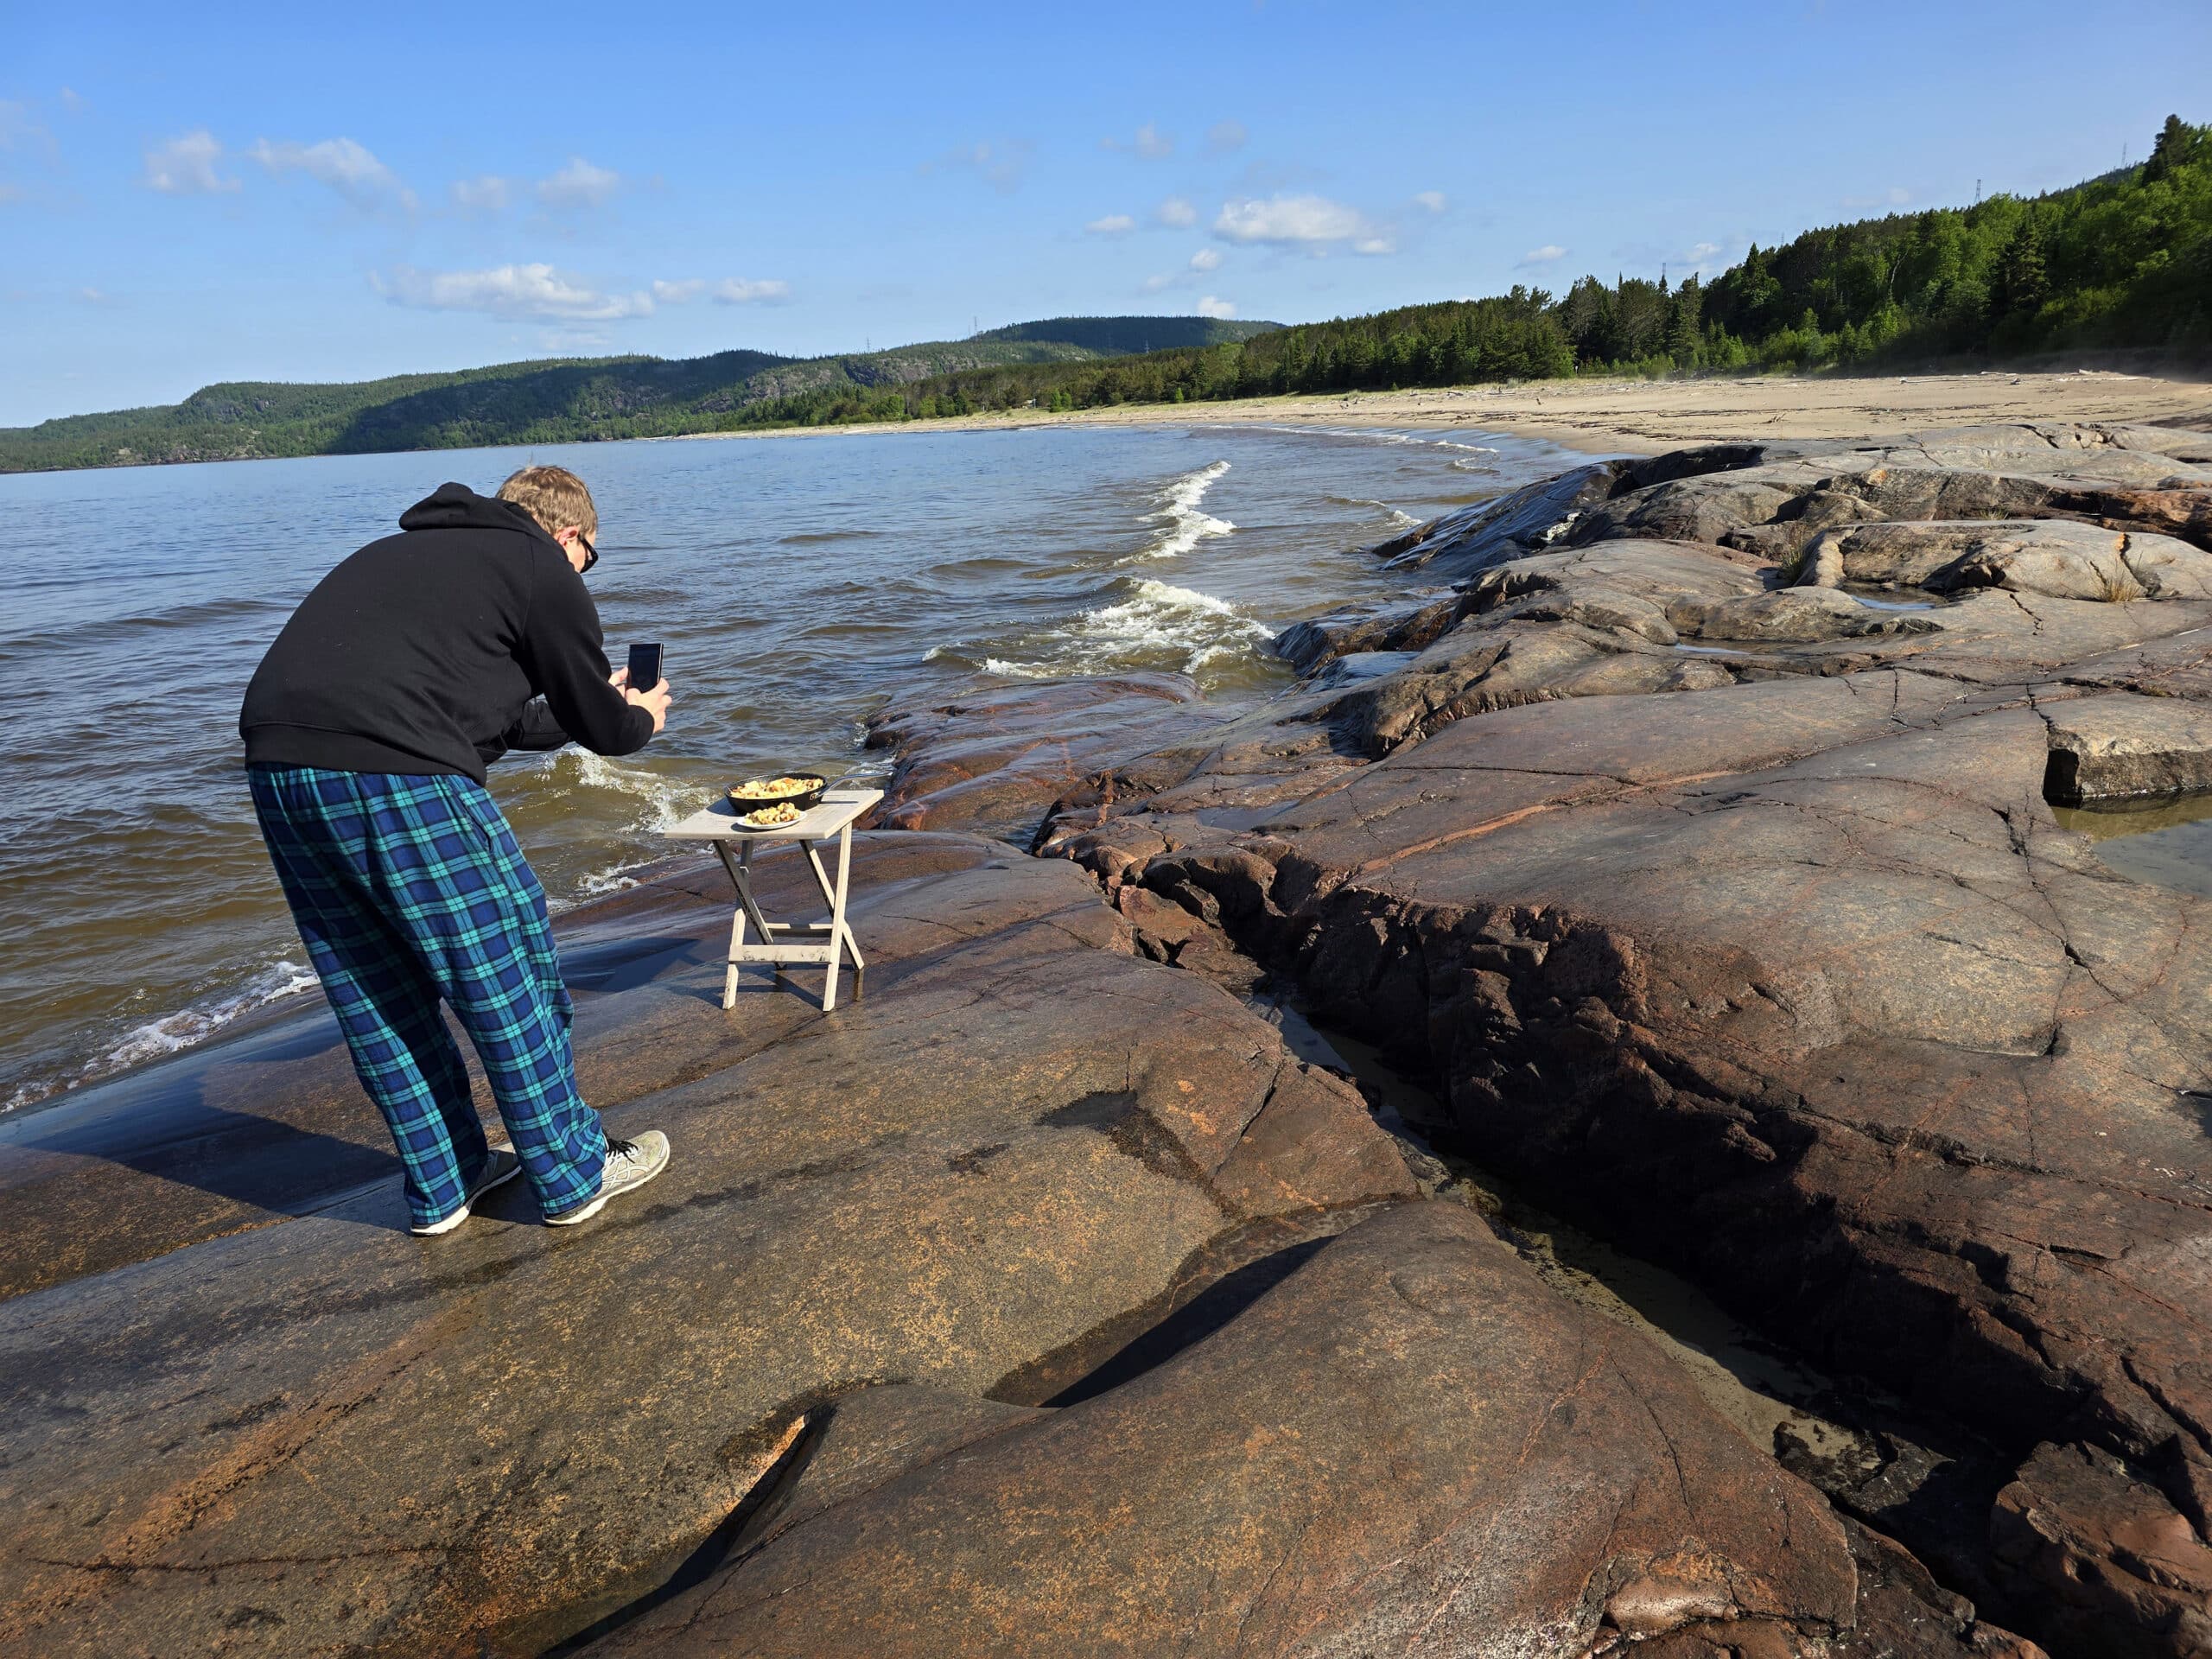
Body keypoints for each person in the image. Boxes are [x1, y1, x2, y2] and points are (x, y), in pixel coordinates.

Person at [239, 465, 674, 1235]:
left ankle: (447, 1182)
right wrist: (637, 715)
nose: (585, 572)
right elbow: (610, 735)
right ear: (570, 534)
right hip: (397, 768)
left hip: (279, 764)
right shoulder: (542, 565)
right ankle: (574, 1173)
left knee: (374, 982)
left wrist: (592, 698)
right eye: (591, 556)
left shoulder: (408, 556)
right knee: (504, 967)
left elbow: (496, 720)